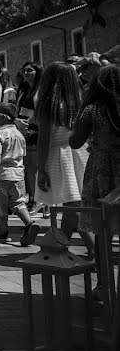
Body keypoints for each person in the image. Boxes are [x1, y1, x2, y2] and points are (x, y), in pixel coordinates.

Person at [70, 64, 120, 300]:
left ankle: (104, 286)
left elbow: (75, 142)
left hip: (102, 172)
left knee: (103, 232)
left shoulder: (92, 110)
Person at [35, 62, 91, 255]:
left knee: (72, 207)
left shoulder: (48, 104)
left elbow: (43, 140)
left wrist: (41, 168)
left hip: (59, 156)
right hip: (81, 153)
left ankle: (88, 252)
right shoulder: (81, 100)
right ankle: (64, 247)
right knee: (76, 205)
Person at [0, 103, 40, 245]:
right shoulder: (19, 135)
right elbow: (23, 156)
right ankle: (29, 223)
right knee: (19, 203)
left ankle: (3, 232)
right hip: (18, 175)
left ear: (4, 118)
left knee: (0, 206)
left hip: (2, 175)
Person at [14, 62, 42, 210]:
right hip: (23, 131)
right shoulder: (23, 90)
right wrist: (17, 120)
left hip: (37, 131)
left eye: (29, 70)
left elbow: (42, 111)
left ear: (37, 72)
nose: (25, 73)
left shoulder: (42, 90)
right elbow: (17, 110)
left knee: (35, 167)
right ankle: (31, 197)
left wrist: (31, 120)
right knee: (28, 168)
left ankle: (38, 200)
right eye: (24, 70)